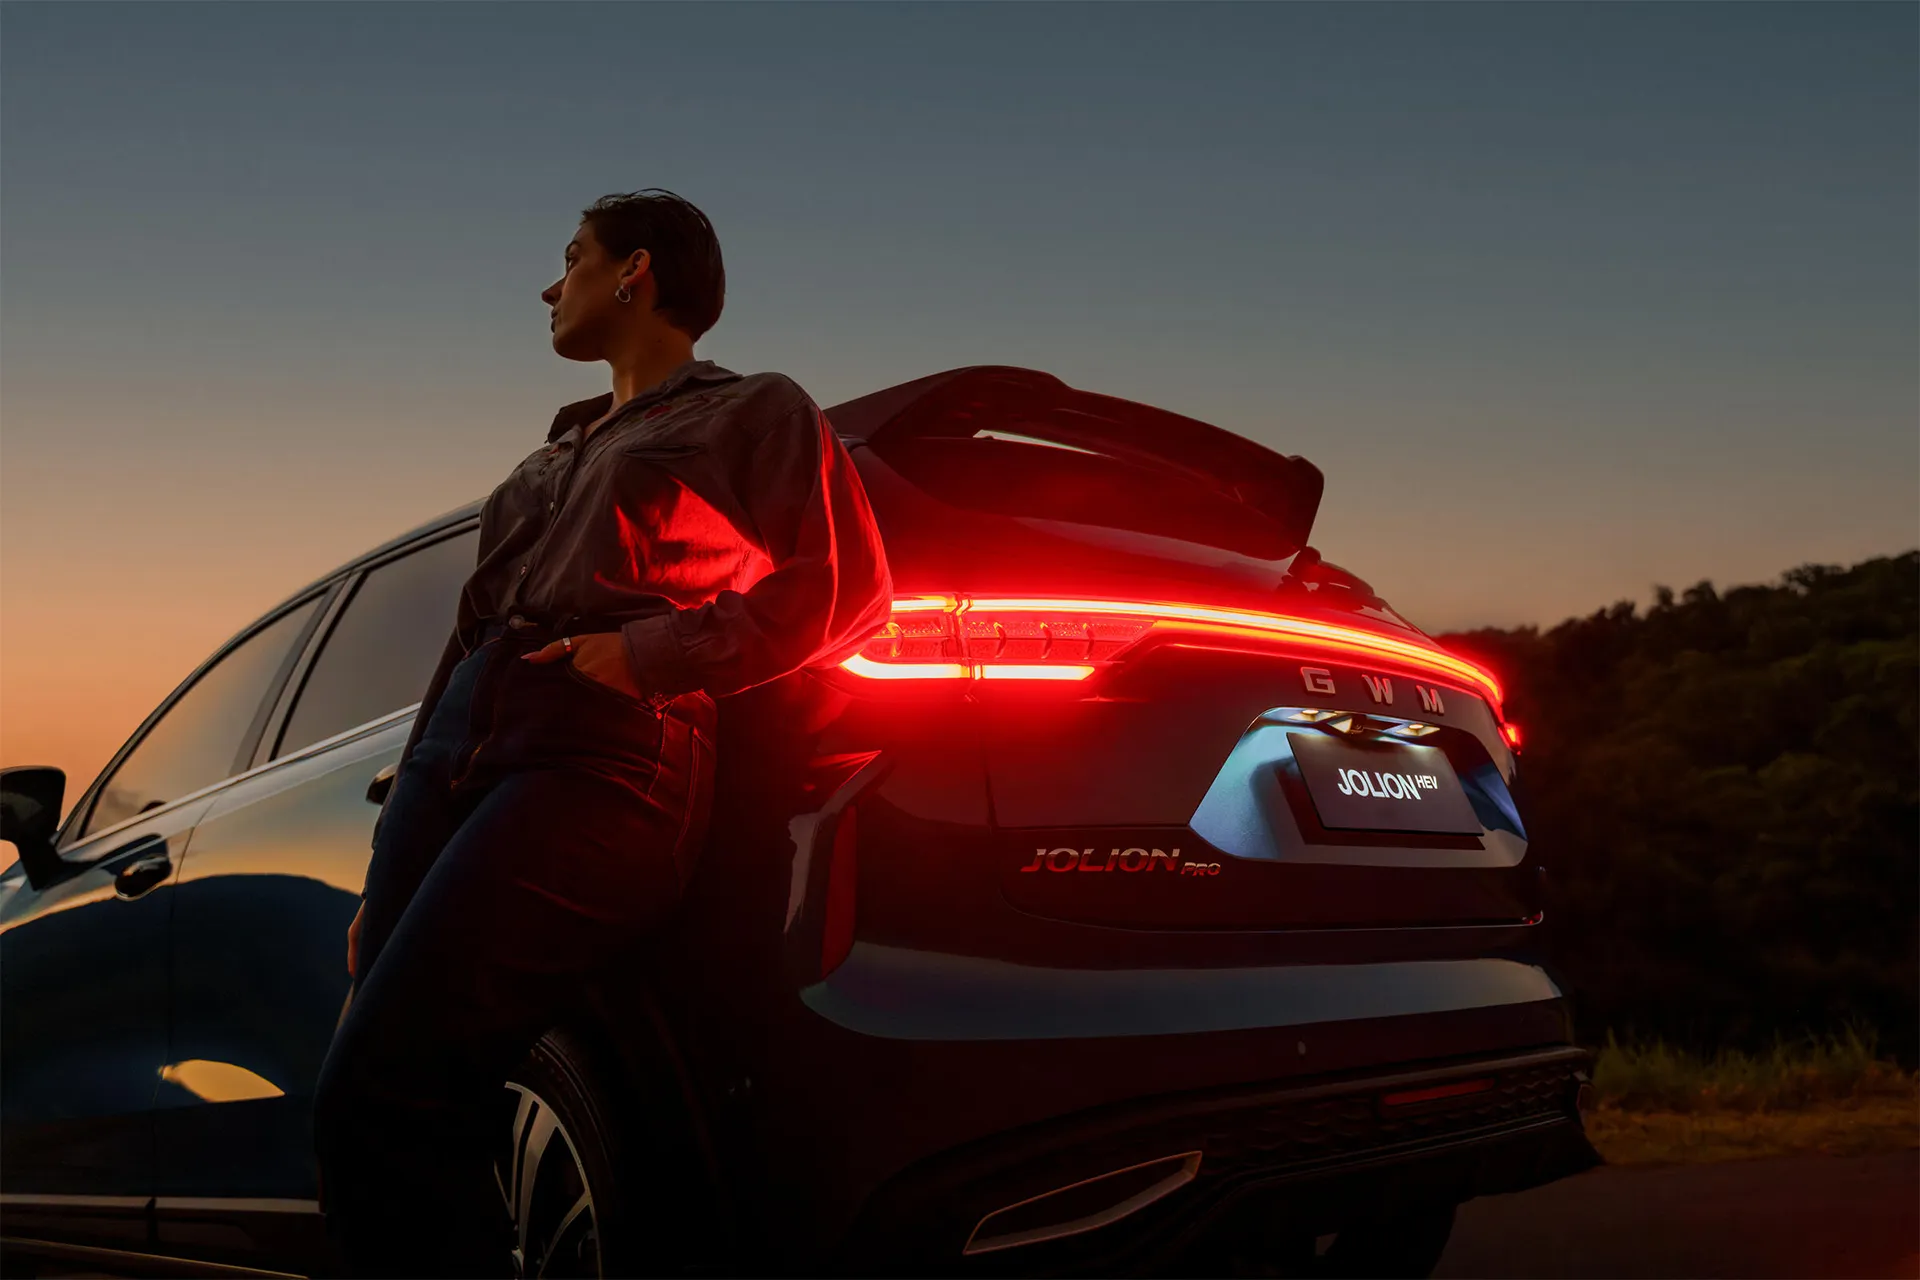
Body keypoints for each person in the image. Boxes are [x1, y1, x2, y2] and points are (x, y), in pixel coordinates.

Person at [311, 189, 893, 1277]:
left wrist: (652, 654)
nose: (549, 283)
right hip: (457, 749)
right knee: (369, 1092)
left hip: (601, 747)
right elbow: (469, 629)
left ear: (635, 272)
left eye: (570, 257)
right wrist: (399, 831)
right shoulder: (540, 465)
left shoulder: (752, 409)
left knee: (383, 1089)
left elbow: (848, 589)